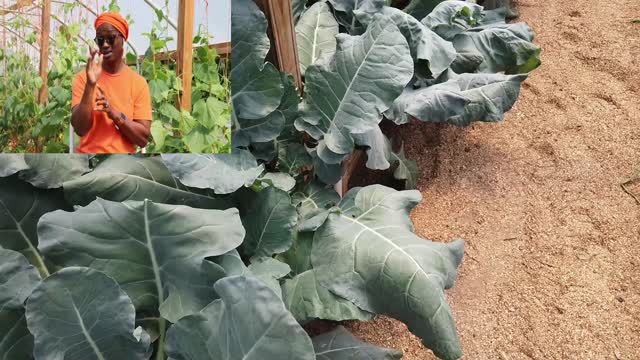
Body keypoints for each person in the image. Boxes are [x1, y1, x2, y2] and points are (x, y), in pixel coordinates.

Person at [71, 12, 152, 153]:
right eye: (100, 40)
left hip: (122, 165)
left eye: (111, 38)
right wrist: (90, 85)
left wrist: (113, 113)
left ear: (123, 39)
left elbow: (142, 139)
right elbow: (80, 129)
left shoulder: (138, 83)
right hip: (89, 162)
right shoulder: (83, 78)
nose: (105, 45)